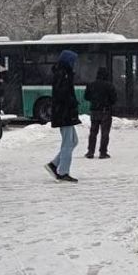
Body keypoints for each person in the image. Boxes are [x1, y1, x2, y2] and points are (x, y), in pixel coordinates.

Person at [45, 49, 81, 182]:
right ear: (68, 61)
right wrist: (72, 101)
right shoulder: (63, 74)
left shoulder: (63, 73)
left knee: (73, 141)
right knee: (68, 143)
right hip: (64, 113)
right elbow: (62, 94)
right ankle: (62, 172)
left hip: (65, 113)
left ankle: (54, 164)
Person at [84, 67, 117, 159]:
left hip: (94, 111)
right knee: (105, 133)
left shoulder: (91, 85)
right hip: (105, 111)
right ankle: (103, 152)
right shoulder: (109, 85)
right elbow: (114, 99)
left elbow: (86, 97)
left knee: (93, 132)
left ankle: (90, 151)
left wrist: (94, 100)